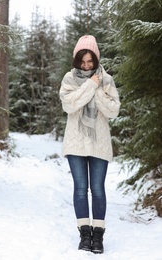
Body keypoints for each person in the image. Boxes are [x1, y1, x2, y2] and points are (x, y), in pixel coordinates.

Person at [59, 35, 120, 254]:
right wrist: (90, 86)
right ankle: (85, 236)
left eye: (90, 61)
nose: (86, 65)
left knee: (98, 190)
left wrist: (97, 90)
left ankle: (98, 237)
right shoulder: (68, 79)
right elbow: (69, 105)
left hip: (99, 142)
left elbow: (113, 111)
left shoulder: (107, 80)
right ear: (77, 60)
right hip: (76, 142)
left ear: (96, 59)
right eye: (82, 61)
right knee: (80, 190)